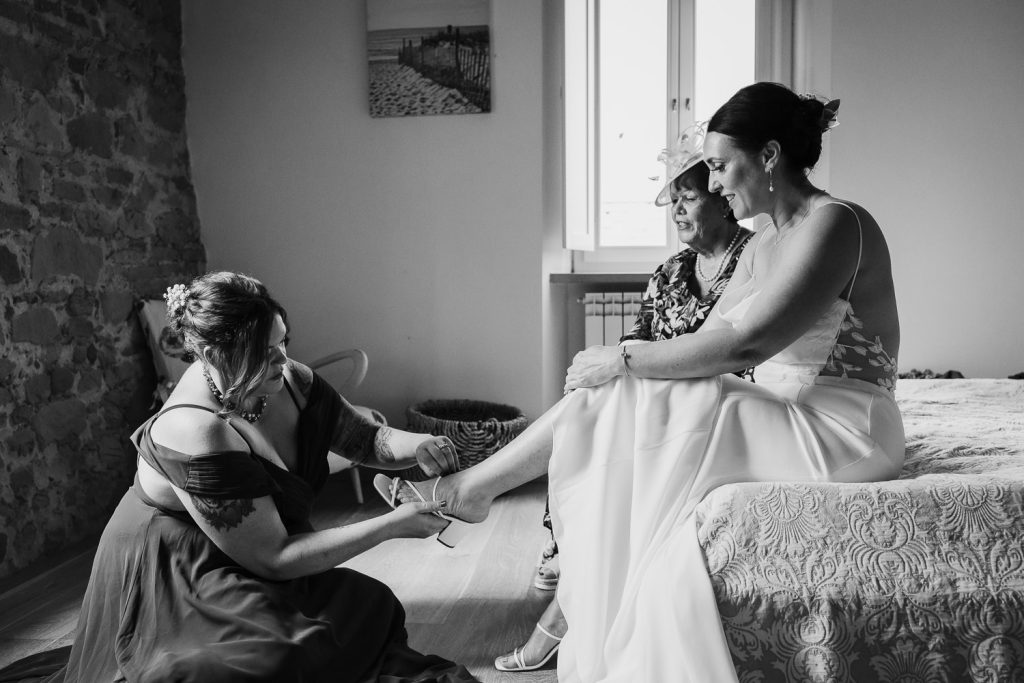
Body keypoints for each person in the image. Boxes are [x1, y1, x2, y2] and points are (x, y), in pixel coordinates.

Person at [378, 82, 904, 683]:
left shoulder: (834, 223)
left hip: (844, 428)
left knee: (638, 387)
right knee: (631, 397)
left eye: (720, 166)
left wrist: (624, 359)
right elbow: (708, 335)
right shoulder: (765, 243)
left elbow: (744, 346)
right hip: (786, 410)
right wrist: (626, 362)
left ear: (769, 156)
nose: (717, 183)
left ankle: (471, 491)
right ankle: (476, 497)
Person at [32, 272, 479, 683]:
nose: (283, 359)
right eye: (265, 352)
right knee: (274, 659)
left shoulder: (289, 379)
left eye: (283, 341)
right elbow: (275, 558)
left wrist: (417, 445)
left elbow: (365, 440)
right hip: (177, 571)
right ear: (212, 355)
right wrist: (391, 526)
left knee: (371, 605)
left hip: (252, 548)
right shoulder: (196, 431)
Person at [493, 123, 754, 673]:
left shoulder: (754, 261)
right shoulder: (670, 272)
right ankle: (566, 588)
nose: (678, 212)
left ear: (723, 200)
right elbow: (636, 343)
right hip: (658, 405)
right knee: (594, 410)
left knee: (614, 441)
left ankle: (559, 623)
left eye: (689, 198)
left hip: (721, 408)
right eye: (673, 201)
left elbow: (747, 358)